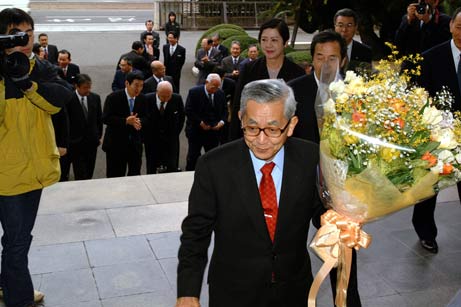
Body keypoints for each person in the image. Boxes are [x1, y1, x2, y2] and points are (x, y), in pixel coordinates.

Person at [176, 79, 322, 307]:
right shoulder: (214, 166)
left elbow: (320, 209)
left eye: (273, 129)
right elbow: (196, 233)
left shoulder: (311, 158)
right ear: (241, 119)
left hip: (293, 288)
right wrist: (187, 292)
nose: (262, 140)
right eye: (252, 128)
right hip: (233, 291)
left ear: (291, 125)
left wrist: (338, 219)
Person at [288, 30, 362, 307]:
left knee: (343, 257)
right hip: (301, 185)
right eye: (320, 57)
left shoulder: (357, 92)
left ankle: (347, 302)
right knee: (291, 251)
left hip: (342, 193)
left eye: (333, 57)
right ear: (312, 60)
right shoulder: (294, 90)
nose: (326, 64)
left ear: (343, 60)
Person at [0, 7, 65, 306]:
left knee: (18, 239)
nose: (23, 41)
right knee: (16, 241)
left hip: (35, 168)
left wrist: (27, 82)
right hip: (7, 173)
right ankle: (19, 298)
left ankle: (10, 284)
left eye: (26, 33)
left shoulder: (38, 66)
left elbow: (59, 101)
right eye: (15, 34)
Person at [412, 7, 461, 254]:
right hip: (437, 134)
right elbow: (420, 96)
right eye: (460, 27)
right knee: (429, 187)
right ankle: (425, 233)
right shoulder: (432, 57)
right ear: (451, 26)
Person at [228, 18, 305, 141]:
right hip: (254, 138)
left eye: (274, 40)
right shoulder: (249, 70)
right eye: (264, 40)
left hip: (286, 140)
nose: (268, 45)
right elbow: (239, 106)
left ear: (285, 42)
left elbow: (300, 115)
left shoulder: (297, 73)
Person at [102, 71, 148, 178]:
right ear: (127, 83)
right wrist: (125, 121)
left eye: (141, 86)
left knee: (135, 175)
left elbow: (147, 118)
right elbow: (106, 118)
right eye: (136, 85)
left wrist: (138, 121)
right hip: (116, 145)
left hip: (135, 144)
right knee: (115, 176)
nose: (139, 89)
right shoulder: (113, 97)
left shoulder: (142, 99)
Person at [184, 73, 227, 171]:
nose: (215, 90)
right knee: (193, 156)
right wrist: (200, 123)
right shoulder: (194, 92)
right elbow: (188, 110)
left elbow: (224, 110)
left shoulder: (220, 93)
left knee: (212, 156)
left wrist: (221, 122)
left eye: (217, 87)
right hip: (197, 131)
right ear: (207, 82)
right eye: (213, 87)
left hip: (214, 132)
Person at [65, 74, 103, 180]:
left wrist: (99, 136)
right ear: (77, 86)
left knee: (90, 171)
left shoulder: (95, 98)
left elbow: (99, 119)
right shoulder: (69, 100)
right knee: (80, 173)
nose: (88, 90)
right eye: (85, 88)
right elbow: (66, 123)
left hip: (92, 142)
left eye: (89, 87)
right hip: (75, 143)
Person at [144, 81, 185, 174]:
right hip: (152, 139)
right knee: (151, 166)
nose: (166, 99)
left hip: (171, 139)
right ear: (157, 92)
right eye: (163, 96)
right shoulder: (147, 99)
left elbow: (181, 118)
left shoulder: (177, 98)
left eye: (168, 96)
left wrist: (175, 133)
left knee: (171, 165)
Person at [333, 8, 372, 73]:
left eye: (349, 25)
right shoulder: (326, 49)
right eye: (340, 25)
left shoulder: (365, 51)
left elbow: (366, 77)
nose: (344, 30)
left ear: (356, 27)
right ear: (335, 27)